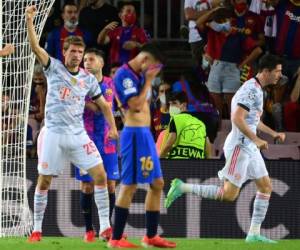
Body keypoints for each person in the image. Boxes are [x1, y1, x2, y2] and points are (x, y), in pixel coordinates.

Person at [165, 54, 286, 243]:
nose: (280, 75)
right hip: (240, 145)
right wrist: (255, 139)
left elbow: (252, 120)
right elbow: (237, 118)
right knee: (229, 195)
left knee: (265, 186)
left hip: (249, 146)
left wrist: (272, 133)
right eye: (277, 71)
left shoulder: (259, 90)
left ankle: (253, 233)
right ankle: (182, 186)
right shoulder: (250, 90)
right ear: (266, 71)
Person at [25, 5, 118, 242]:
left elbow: (105, 105)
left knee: (100, 175)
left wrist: (113, 127)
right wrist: (29, 20)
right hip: (54, 133)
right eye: (73, 51)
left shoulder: (87, 79)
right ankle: (37, 229)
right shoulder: (53, 67)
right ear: (64, 53)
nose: (77, 55)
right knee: (44, 181)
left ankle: (106, 227)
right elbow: (35, 47)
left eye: (80, 51)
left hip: (78, 135)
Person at [108, 43, 176, 248]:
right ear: (145, 60)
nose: (154, 72)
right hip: (134, 135)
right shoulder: (124, 75)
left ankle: (151, 236)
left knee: (157, 183)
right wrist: (148, 81)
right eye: (154, 67)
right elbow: (135, 106)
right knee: (129, 185)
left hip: (144, 135)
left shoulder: (137, 75)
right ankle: (116, 239)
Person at [74, 48, 119, 242]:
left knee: (110, 185)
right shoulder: (78, 82)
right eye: (85, 59)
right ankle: (88, 230)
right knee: (87, 186)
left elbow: (103, 108)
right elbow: (99, 107)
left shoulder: (110, 83)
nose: (87, 62)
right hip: (86, 140)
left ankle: (105, 227)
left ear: (101, 63)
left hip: (108, 141)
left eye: (91, 59)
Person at [159, 91, 211, 159]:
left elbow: (169, 144)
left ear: (183, 105)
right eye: (170, 104)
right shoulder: (201, 124)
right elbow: (208, 150)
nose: (171, 107)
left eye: (174, 103)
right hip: (197, 166)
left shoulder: (176, 119)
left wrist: (159, 160)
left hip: (177, 164)